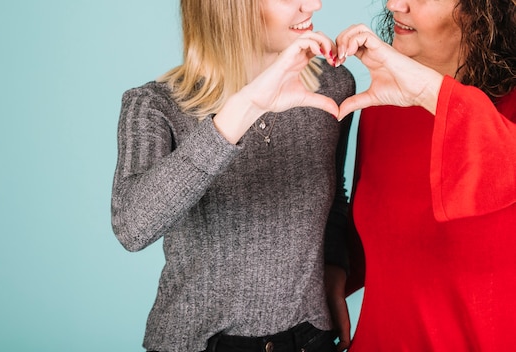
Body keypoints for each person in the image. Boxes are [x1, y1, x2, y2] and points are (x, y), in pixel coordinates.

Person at [111, 0, 356, 351]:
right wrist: (241, 111)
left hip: (310, 340)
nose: (314, 4)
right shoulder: (154, 105)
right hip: (199, 343)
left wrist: (334, 271)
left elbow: (333, 196)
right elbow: (132, 227)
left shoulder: (333, 86)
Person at [330, 0, 516, 350]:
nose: (394, 4)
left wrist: (429, 91)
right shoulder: (383, 108)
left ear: (484, 10)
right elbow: (375, 242)